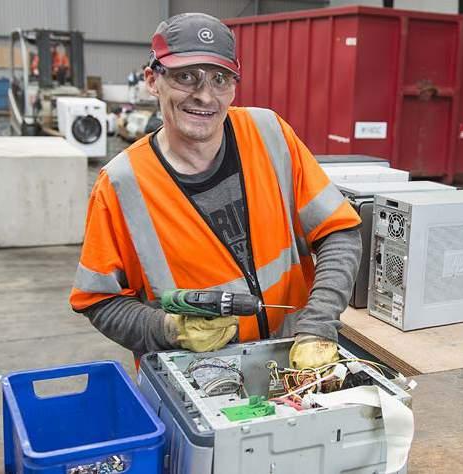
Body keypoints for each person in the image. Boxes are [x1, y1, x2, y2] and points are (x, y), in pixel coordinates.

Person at [69, 13, 362, 370]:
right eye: (185, 76)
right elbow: (98, 300)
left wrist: (318, 323)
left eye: (220, 78)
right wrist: (167, 328)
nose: (205, 95)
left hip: (293, 365)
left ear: (234, 86)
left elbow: (339, 231)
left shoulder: (270, 134)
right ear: (152, 80)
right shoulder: (120, 183)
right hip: (200, 381)